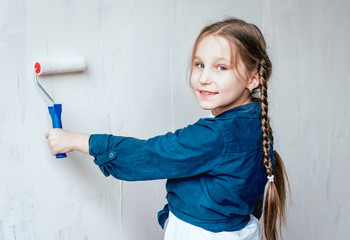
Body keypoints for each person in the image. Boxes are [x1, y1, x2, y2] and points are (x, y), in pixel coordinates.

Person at [45, 17, 289, 240]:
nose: (204, 78)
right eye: (199, 64)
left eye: (221, 67)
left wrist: (74, 140)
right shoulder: (257, 121)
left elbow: (151, 154)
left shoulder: (216, 136)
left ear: (253, 78)